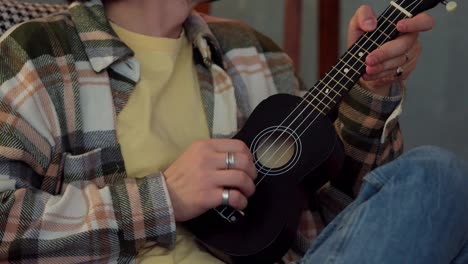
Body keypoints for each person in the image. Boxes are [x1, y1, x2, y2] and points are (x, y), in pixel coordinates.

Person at [0, 0, 466, 263]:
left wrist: (373, 84)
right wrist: (162, 197)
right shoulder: (38, 55)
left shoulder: (255, 53)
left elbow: (357, 207)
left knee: (435, 178)